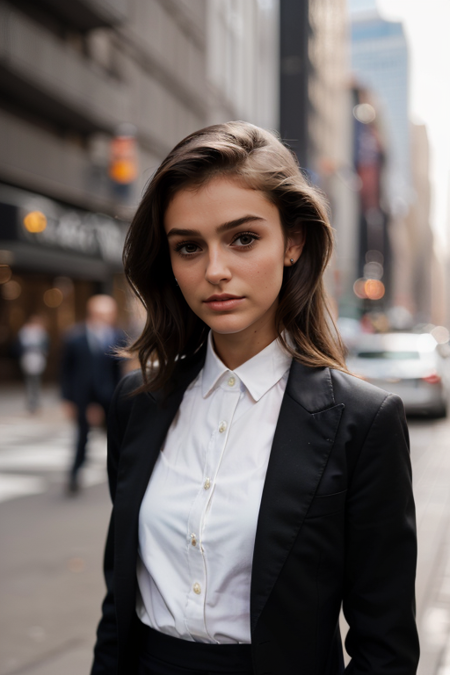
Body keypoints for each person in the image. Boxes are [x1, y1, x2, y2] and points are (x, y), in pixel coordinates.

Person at [91, 122, 419, 675]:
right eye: (189, 247)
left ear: (292, 242)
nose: (214, 271)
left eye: (243, 238)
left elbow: (383, 646)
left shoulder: (362, 423)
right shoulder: (138, 402)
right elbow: (119, 602)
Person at [61, 294, 123, 494]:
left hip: (110, 395)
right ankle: (74, 475)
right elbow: (65, 371)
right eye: (103, 313)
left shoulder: (116, 337)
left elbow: (118, 370)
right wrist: (67, 399)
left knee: (117, 436)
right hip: (83, 396)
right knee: (82, 437)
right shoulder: (75, 338)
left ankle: (122, 475)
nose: (108, 318)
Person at [17, 314, 49, 413]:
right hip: (28, 357)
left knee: (36, 380)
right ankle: (31, 402)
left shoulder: (41, 331)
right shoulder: (25, 331)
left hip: (37, 357)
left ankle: (35, 402)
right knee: (29, 380)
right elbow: (20, 345)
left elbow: (45, 344)